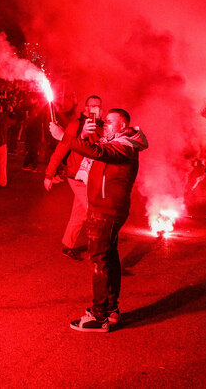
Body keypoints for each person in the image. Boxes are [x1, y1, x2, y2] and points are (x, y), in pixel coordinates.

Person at [50, 108, 148, 333]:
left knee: (99, 262)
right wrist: (82, 135)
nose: (106, 125)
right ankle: (111, 310)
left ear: (123, 125)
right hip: (104, 208)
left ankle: (99, 315)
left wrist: (64, 136)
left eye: (111, 122)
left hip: (107, 210)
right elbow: (91, 149)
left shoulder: (125, 145)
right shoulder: (116, 141)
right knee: (108, 259)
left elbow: (98, 152)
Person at [44, 95, 104, 260]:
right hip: (76, 176)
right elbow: (61, 150)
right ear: (85, 108)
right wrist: (49, 174)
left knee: (80, 213)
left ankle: (67, 245)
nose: (95, 109)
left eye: (98, 106)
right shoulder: (76, 125)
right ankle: (100, 253)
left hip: (93, 177)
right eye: (91, 106)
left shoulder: (104, 128)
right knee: (94, 211)